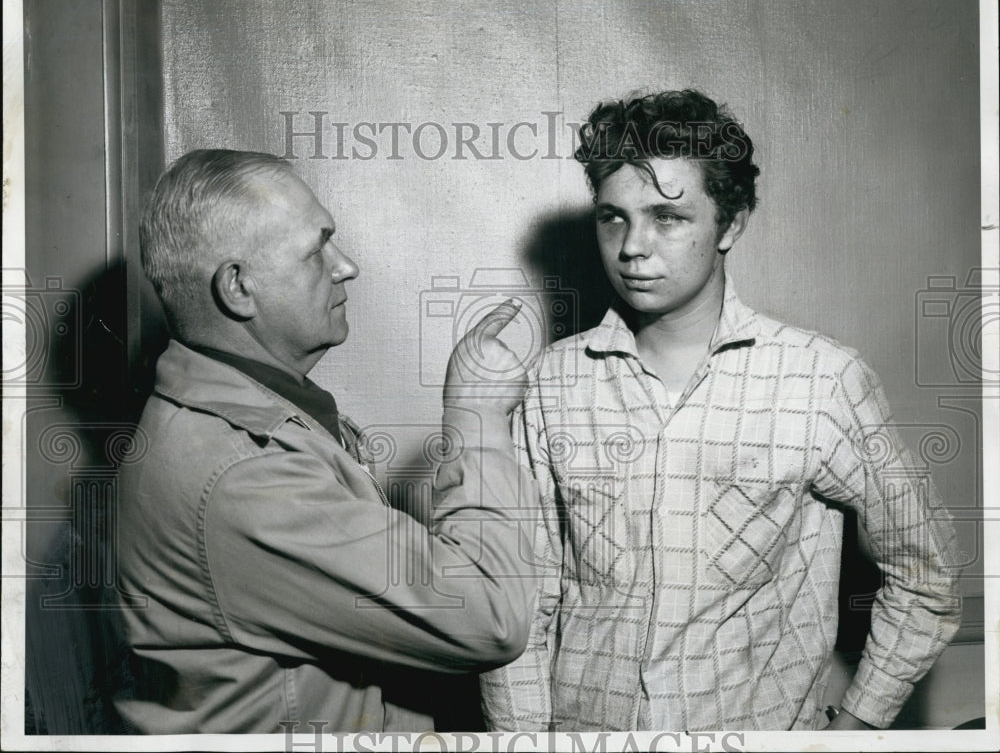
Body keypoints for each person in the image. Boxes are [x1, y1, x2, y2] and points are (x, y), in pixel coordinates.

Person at [479, 90, 962, 731]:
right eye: (613, 217)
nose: (632, 247)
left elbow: (928, 573)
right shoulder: (553, 382)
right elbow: (520, 601)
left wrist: (856, 732)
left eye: (668, 217)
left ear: (730, 225)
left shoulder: (819, 380)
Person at [114, 149, 536, 733]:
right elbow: (489, 615)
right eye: (317, 250)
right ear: (238, 287)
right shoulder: (243, 475)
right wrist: (478, 417)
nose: (347, 266)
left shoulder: (251, 421)